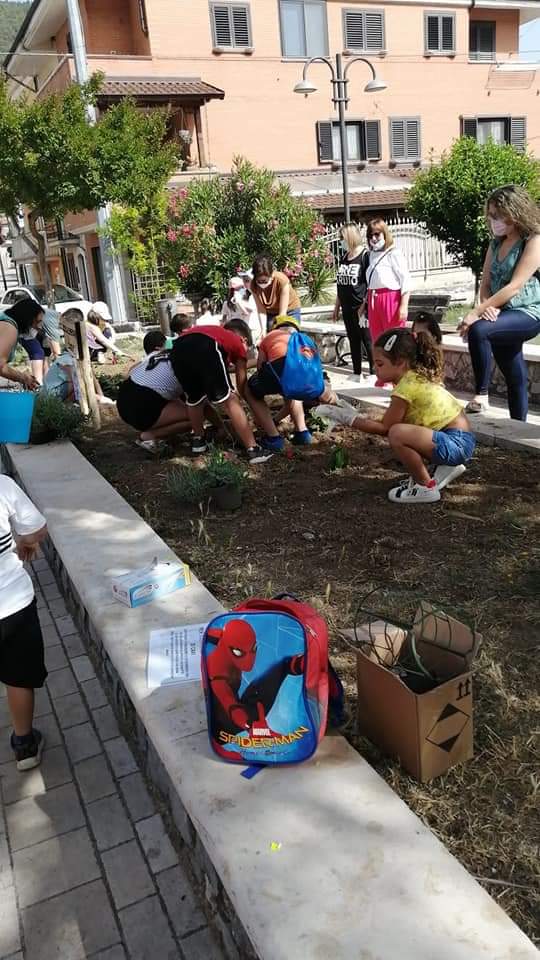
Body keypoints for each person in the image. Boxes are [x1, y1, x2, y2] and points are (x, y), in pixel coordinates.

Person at [315, 328, 475, 505]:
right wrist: (356, 415)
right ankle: (445, 467)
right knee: (402, 431)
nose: (375, 368)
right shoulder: (414, 378)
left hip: (455, 443)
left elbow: (386, 428)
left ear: (400, 362)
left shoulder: (405, 388)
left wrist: (348, 418)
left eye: (380, 364)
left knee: (398, 433)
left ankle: (426, 487)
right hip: (458, 440)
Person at [458, 184, 540, 421]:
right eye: (491, 215)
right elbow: (486, 283)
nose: (493, 220)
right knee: (516, 378)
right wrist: (487, 307)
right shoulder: (494, 245)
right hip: (500, 314)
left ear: (514, 212)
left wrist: (477, 313)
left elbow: (515, 286)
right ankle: (518, 430)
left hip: (528, 312)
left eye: (497, 215)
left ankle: (481, 395)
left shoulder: (532, 240)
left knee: (479, 331)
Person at [170, 319, 273, 462]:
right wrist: (245, 402)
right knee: (229, 400)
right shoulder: (237, 343)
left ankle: (198, 441)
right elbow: (241, 383)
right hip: (205, 346)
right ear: (243, 339)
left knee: (194, 399)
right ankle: (254, 449)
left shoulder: (215, 331)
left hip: (177, 350)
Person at [0, 475, 48, 770]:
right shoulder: (2, 485)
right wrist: (25, 543)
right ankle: (25, 745)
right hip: (12, 604)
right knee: (17, 677)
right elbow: (37, 529)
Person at [246, 315, 336, 451]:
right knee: (292, 386)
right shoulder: (306, 342)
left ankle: (273, 437)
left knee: (251, 389)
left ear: (277, 327)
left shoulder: (272, 335)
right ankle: (302, 432)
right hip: (311, 383)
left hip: (279, 372)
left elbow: (260, 367)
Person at [116, 347, 192, 454]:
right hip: (140, 409)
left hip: (124, 401)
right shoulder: (185, 369)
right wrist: (220, 426)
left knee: (183, 404)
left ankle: (156, 428)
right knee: (195, 417)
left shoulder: (159, 355)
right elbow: (200, 405)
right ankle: (150, 435)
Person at [366, 220, 411, 385]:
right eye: (371, 235)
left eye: (377, 234)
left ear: (385, 234)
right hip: (373, 298)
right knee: (378, 340)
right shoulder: (371, 255)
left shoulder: (394, 253)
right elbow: (372, 281)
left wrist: (404, 304)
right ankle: (383, 376)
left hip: (390, 297)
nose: (374, 238)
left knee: (393, 340)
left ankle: (399, 379)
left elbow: (405, 280)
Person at [334, 223, 373, 381]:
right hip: (347, 307)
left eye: (342, 238)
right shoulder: (344, 258)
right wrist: (336, 307)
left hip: (361, 307)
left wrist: (364, 306)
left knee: (367, 339)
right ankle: (357, 372)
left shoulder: (365, 256)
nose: (340, 241)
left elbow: (370, 284)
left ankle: (373, 372)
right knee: (353, 339)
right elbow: (340, 285)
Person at [0, 298, 44, 390]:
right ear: (27, 319)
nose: (38, 327)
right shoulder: (10, 328)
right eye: (37, 322)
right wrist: (23, 378)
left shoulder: (5, 320)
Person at [250, 255, 301, 333]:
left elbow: (282, 314)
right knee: (269, 334)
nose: (262, 284)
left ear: (271, 275)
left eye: (265, 281)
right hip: (270, 312)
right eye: (259, 281)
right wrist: (263, 331)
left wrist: (278, 330)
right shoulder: (253, 285)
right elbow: (261, 310)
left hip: (289, 309)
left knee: (290, 334)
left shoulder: (281, 280)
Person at [222, 277, 263, 345]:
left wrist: (239, 302)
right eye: (233, 289)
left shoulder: (251, 298)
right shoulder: (226, 304)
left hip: (250, 331)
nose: (236, 291)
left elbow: (248, 311)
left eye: (240, 288)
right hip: (234, 332)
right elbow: (224, 320)